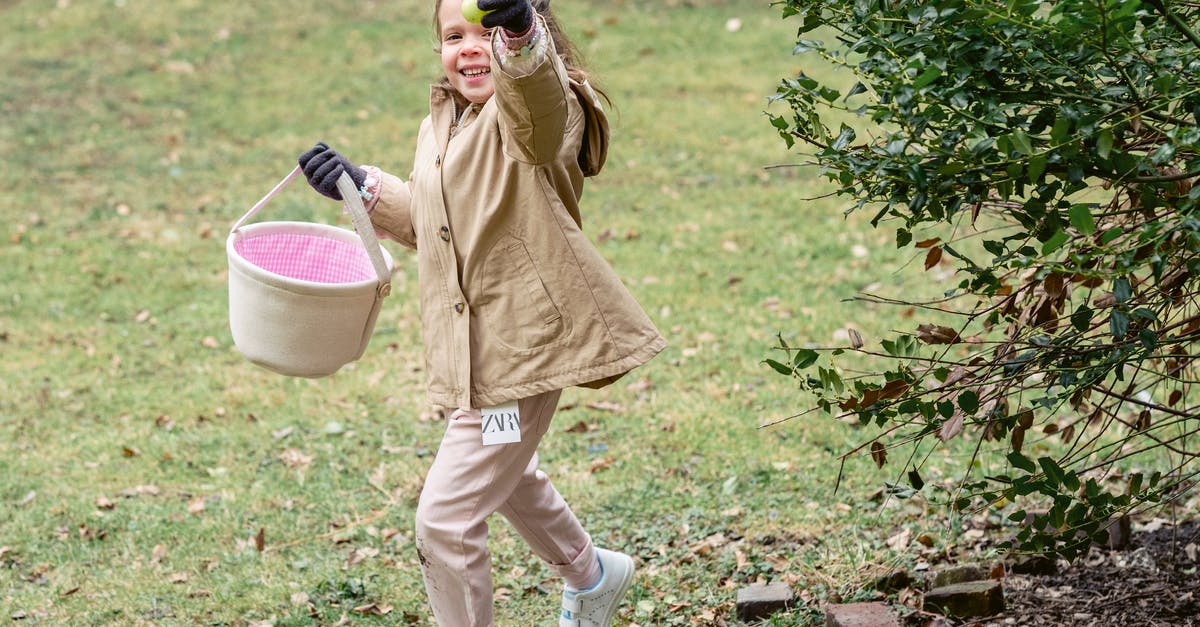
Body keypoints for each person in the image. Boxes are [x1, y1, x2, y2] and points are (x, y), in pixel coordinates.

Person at [296, 0, 665, 624]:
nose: (470, 46)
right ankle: (592, 575)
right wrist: (360, 186)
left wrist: (520, 42)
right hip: (474, 348)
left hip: (526, 341)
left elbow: (535, 109)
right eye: (453, 35)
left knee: (445, 521)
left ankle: (585, 577)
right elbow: (435, 222)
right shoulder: (443, 124)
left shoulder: (545, 106)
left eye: (488, 30)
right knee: (508, 473)